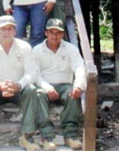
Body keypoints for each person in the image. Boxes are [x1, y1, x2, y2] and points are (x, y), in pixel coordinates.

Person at [0, 15, 41, 151]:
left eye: (10, 29)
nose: (6, 32)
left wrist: (18, 85)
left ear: (15, 31)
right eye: (3, 29)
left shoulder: (25, 47)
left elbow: (32, 73)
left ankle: (27, 136)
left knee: (31, 89)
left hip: (18, 90)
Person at [33, 18, 86, 150]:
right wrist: (47, 87)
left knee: (72, 94)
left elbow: (80, 67)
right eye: (51, 32)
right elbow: (34, 74)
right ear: (46, 33)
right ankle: (47, 136)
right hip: (44, 85)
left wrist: (78, 85)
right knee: (38, 95)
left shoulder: (71, 49)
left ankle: (70, 135)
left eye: (58, 32)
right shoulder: (37, 50)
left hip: (64, 85)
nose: (54, 36)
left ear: (62, 34)